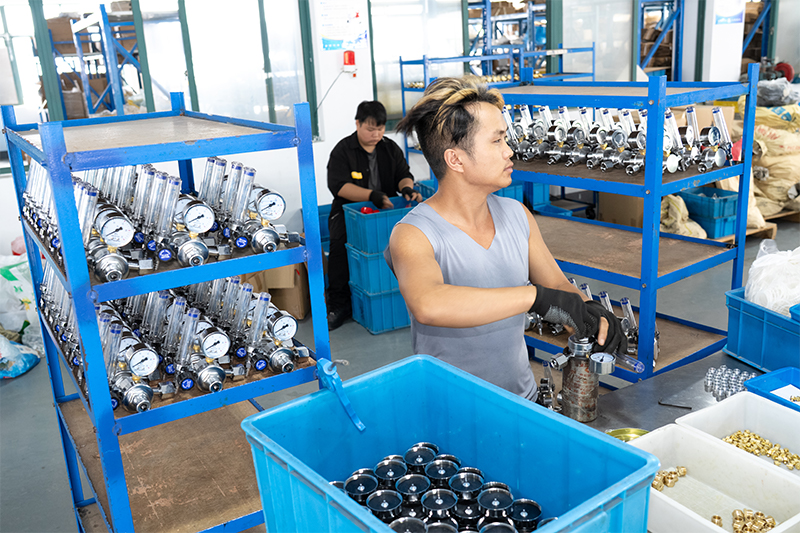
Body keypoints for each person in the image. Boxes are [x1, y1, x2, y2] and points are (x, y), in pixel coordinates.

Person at [385, 77, 626, 400]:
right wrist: (533, 297)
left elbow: (555, 284)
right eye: (497, 141)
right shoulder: (414, 233)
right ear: (456, 159)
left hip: (521, 399)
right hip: (451, 409)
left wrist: (589, 313)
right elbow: (428, 303)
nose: (509, 151)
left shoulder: (516, 215)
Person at [326, 100, 422, 331]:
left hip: (384, 210)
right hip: (349, 211)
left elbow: (403, 174)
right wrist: (371, 195)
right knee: (340, 245)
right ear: (357, 124)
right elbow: (339, 186)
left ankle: (404, 294)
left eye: (380, 129)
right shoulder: (343, 150)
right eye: (370, 129)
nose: (376, 134)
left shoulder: (390, 148)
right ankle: (339, 304)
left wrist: (407, 188)